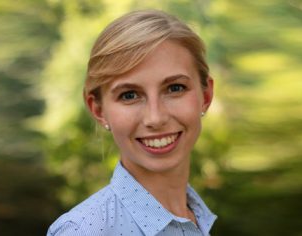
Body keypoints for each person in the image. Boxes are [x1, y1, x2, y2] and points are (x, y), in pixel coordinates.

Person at [47, 9, 217, 236]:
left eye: (175, 88)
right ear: (98, 110)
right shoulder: (84, 231)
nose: (155, 118)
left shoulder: (197, 218)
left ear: (205, 97)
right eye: (129, 95)